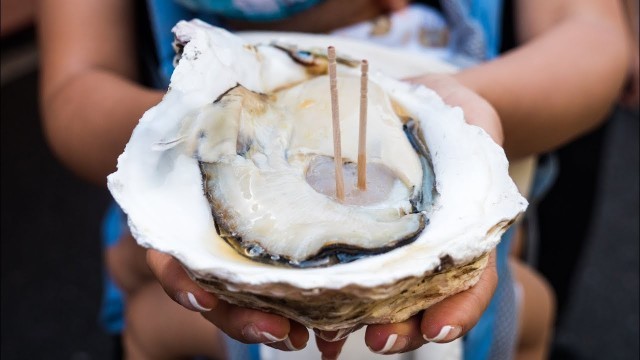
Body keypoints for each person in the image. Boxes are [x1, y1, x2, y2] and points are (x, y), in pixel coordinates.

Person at [37, 0, 630, 359]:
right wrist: (174, 138)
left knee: (526, 312)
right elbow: (75, 85)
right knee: (150, 321)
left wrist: (457, 116)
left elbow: (593, 37)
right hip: (194, 292)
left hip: (461, 238)